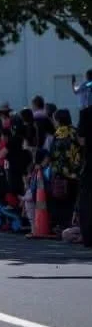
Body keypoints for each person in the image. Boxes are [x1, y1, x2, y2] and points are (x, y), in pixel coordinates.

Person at [77, 105, 92, 247]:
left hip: (90, 160)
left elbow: (81, 140)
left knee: (87, 199)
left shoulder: (86, 113)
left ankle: (88, 234)